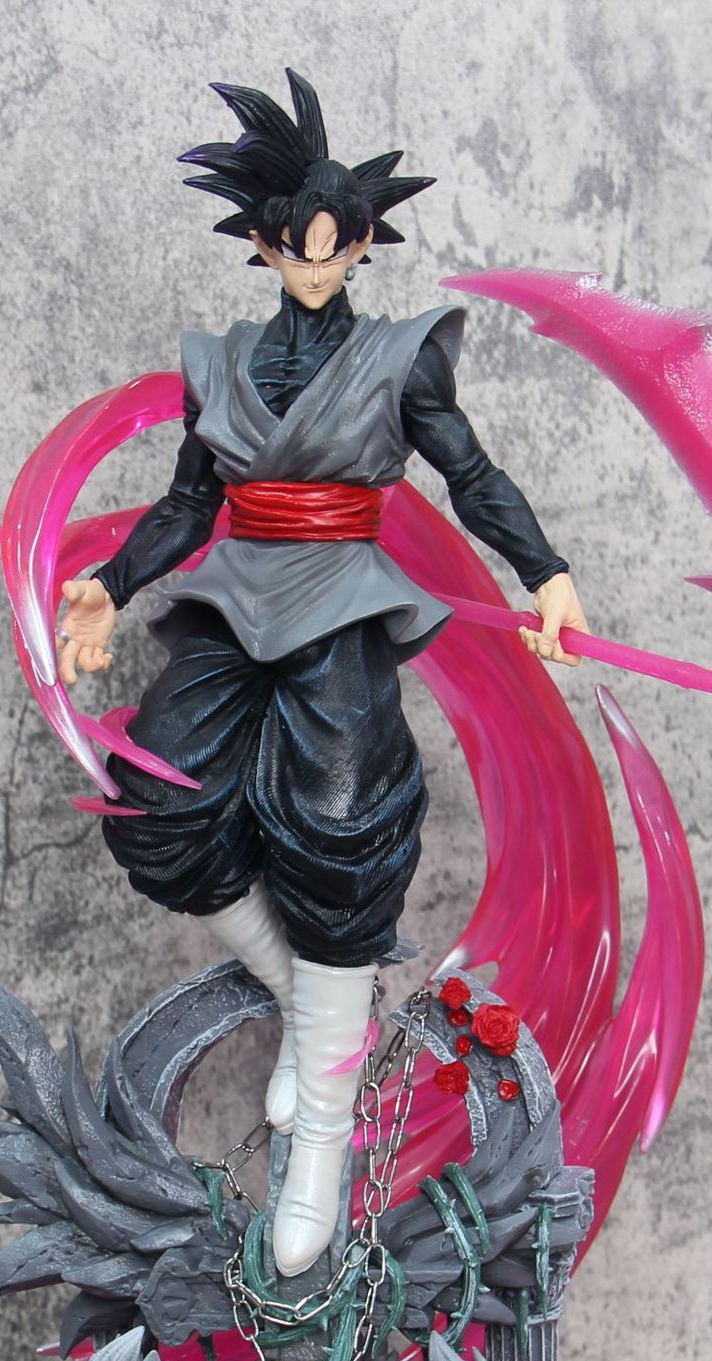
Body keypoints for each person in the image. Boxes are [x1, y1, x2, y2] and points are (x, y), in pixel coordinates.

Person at [53, 71, 588, 1277]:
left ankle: (321, 1154)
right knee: (156, 804)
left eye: (334, 241)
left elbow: (471, 475)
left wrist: (545, 572)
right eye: (293, 241)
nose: (313, 260)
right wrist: (115, 584)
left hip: (342, 599)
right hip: (237, 594)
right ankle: (308, 1001)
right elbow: (188, 505)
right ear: (263, 244)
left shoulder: (399, 360)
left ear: (359, 245)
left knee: (342, 830)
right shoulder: (226, 364)